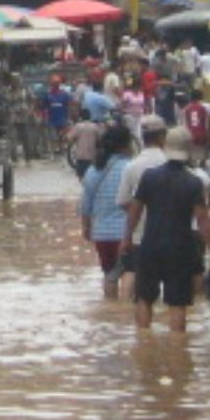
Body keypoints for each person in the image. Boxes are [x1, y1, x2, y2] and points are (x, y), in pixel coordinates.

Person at [121, 127, 210, 333]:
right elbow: (203, 220)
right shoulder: (193, 182)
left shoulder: (149, 177)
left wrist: (127, 238)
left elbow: (135, 211)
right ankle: (178, 352)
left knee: (144, 298)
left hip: (150, 245)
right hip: (180, 248)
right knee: (177, 303)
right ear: (189, 150)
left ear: (166, 147)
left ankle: (144, 344)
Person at [79, 123, 134, 299]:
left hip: (102, 234)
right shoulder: (131, 168)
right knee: (129, 272)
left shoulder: (93, 170)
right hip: (128, 233)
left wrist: (87, 228)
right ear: (126, 145)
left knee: (109, 275)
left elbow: (85, 205)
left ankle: (110, 312)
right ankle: (126, 315)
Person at [64, 113, 104, 180]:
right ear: (90, 117)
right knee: (92, 177)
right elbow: (100, 138)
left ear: (81, 118)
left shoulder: (78, 126)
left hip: (81, 157)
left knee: (81, 177)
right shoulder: (95, 126)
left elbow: (69, 138)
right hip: (92, 156)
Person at [182, 88, 210, 166]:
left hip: (190, 135)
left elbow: (184, 123)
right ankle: (203, 161)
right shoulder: (205, 107)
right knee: (209, 142)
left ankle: (190, 162)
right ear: (201, 97)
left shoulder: (186, 108)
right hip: (202, 135)